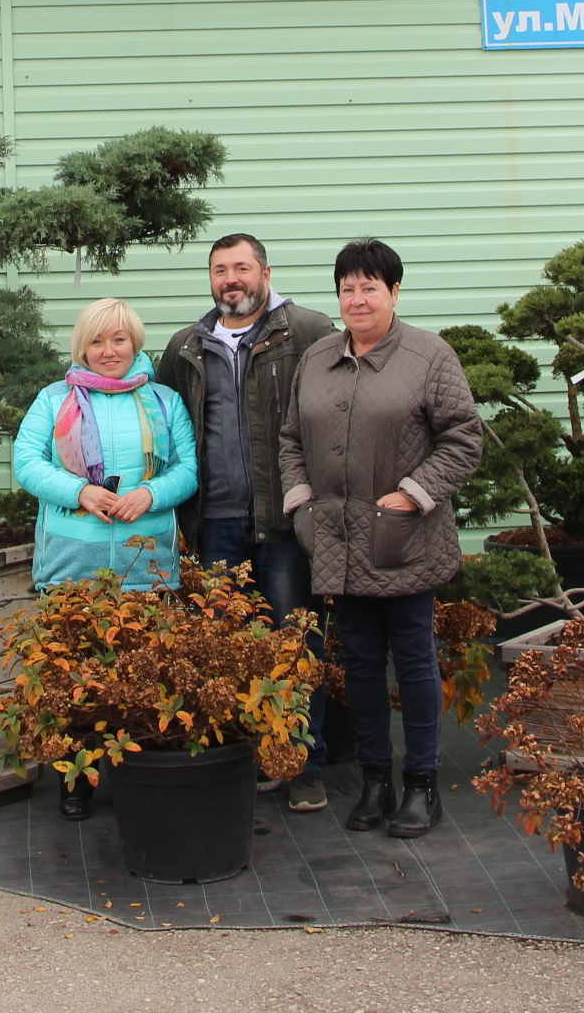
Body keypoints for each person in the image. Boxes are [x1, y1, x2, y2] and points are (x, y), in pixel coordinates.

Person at [278, 238, 487, 840]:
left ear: (394, 292)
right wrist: (301, 499)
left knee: (414, 660)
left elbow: (464, 438)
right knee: (361, 663)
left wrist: (415, 492)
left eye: (370, 287)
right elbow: (291, 438)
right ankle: (375, 780)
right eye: (348, 289)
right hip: (338, 540)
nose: (358, 299)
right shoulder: (317, 358)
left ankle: (421, 783)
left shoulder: (429, 356)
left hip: (405, 539)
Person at [158, 232, 344, 813]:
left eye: (241, 267)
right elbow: (166, 425)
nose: (230, 279)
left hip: (283, 522)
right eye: (220, 269)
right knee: (228, 647)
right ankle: (251, 758)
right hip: (215, 522)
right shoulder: (186, 346)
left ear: (266, 271)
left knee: (296, 644)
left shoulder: (308, 331)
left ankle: (303, 765)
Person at [13, 295, 198, 819]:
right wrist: (80, 491)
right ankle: (75, 781)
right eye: (97, 341)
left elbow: (187, 469)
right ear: (82, 347)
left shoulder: (164, 401)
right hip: (72, 563)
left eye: (119, 339)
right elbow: (26, 463)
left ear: (134, 343)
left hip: (146, 564)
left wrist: (151, 494)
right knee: (73, 677)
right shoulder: (54, 399)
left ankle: (139, 776)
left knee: (144, 675)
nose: (109, 350)